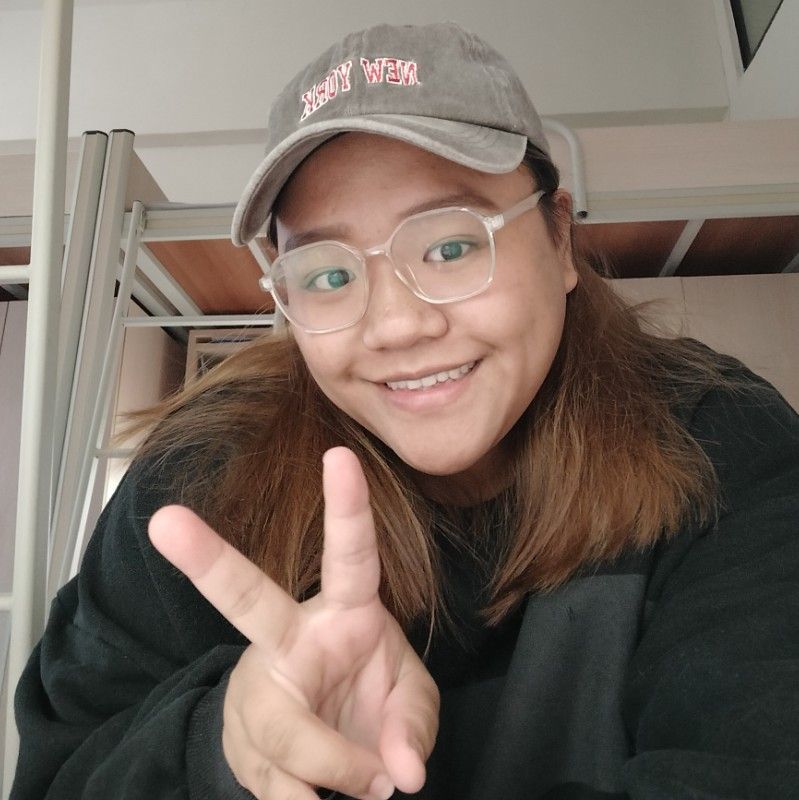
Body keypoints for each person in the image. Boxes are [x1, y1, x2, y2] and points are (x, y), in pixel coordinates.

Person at [10, 21, 799, 800]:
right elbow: (60, 773)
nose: (393, 326)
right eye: (328, 275)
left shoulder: (718, 441)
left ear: (558, 237)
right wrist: (224, 750)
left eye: (451, 246)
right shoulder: (198, 481)